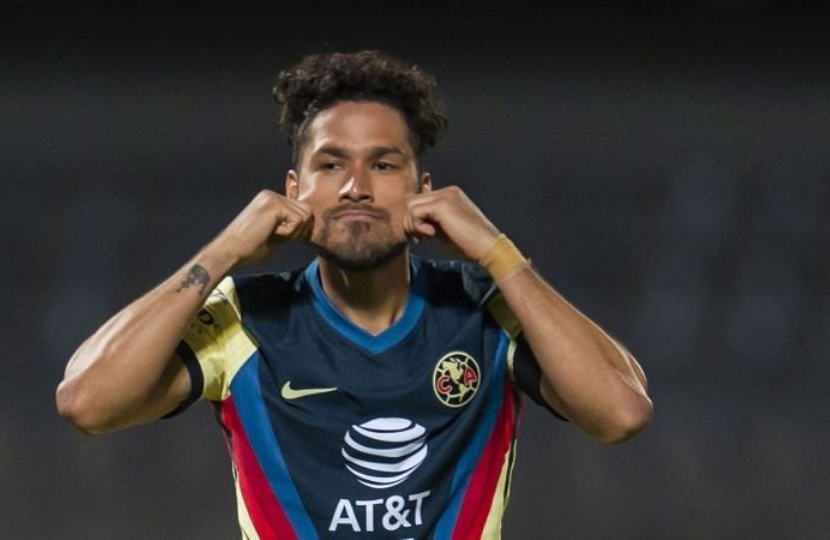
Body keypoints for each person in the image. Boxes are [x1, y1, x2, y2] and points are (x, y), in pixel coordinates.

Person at [56, 50, 652, 539]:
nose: (356, 188)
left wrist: (498, 253)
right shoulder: (245, 318)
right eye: (331, 165)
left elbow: (621, 412)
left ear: (423, 188)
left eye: (384, 165)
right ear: (294, 190)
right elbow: (86, 401)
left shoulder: (487, 309)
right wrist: (223, 252)